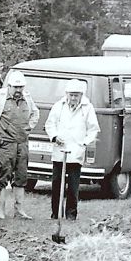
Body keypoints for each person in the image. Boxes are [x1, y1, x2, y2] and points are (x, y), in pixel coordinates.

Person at [0, 71, 39, 219]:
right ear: (9, 86)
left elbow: (35, 114)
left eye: (20, 87)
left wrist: (28, 127)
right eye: (15, 87)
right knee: (2, 177)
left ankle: (19, 211)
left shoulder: (27, 98)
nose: (18, 90)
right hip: (5, 144)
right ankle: (0, 211)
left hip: (22, 144)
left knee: (21, 177)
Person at [44, 79, 100, 220]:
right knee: (57, 183)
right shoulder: (58, 106)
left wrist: (84, 143)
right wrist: (55, 136)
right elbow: (50, 124)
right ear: (66, 94)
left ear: (81, 95)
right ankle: (55, 213)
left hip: (76, 151)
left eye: (76, 95)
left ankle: (71, 214)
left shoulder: (87, 108)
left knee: (73, 186)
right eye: (71, 95)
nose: (73, 98)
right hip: (60, 150)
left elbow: (93, 129)